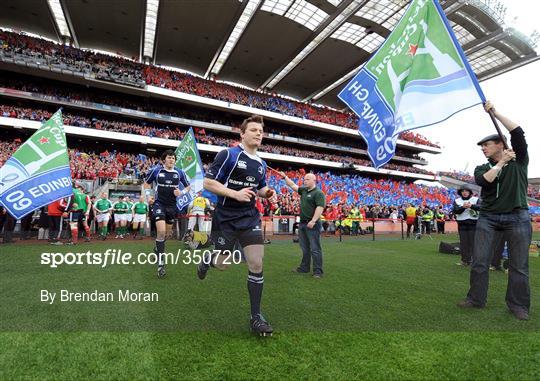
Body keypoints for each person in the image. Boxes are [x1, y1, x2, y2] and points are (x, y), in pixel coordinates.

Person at [198, 114, 276, 336]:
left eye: (260, 131)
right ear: (242, 134)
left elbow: (260, 188)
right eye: (254, 130)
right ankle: (208, 259)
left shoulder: (262, 164)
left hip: (249, 217)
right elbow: (208, 182)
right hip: (225, 217)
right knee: (222, 264)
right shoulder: (228, 155)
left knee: (256, 263)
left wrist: (267, 193)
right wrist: (234, 193)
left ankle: (256, 317)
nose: (258, 134)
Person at [458, 101, 532, 321]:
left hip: (517, 216)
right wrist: (500, 164)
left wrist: (495, 112)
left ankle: (518, 305)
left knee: (519, 265)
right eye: (482, 146)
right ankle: (476, 299)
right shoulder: (483, 167)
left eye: (487, 145)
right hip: (488, 218)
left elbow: (517, 132)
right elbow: (486, 181)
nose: (483, 148)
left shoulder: (520, 159)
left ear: (500, 144)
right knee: (480, 261)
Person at [144, 149, 190, 278]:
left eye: (173, 158)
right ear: (164, 159)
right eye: (169, 158)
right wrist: (149, 197)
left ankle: (157, 248)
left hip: (172, 207)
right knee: (162, 232)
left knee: (167, 235)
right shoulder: (156, 171)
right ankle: (161, 265)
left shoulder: (179, 172)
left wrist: (181, 193)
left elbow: (188, 186)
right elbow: (146, 184)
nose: (171, 160)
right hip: (159, 205)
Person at [282, 172, 326, 278]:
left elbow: (320, 207)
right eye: (304, 179)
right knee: (305, 248)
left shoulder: (318, 193)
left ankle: (318, 271)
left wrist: (313, 220)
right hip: (302, 224)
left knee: (315, 248)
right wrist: (285, 177)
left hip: (312, 224)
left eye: (307, 179)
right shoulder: (304, 190)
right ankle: (304, 268)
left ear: (313, 181)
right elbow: (292, 185)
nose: (304, 181)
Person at [452, 186, 479, 266]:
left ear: (470, 192)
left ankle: (474, 261)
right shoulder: (457, 200)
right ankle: (464, 260)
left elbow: (482, 207)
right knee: (464, 243)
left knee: (473, 243)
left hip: (473, 223)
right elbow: (456, 211)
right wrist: (463, 207)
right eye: (463, 191)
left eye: (466, 191)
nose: (464, 192)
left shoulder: (476, 199)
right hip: (462, 224)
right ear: (460, 192)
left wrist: (471, 206)